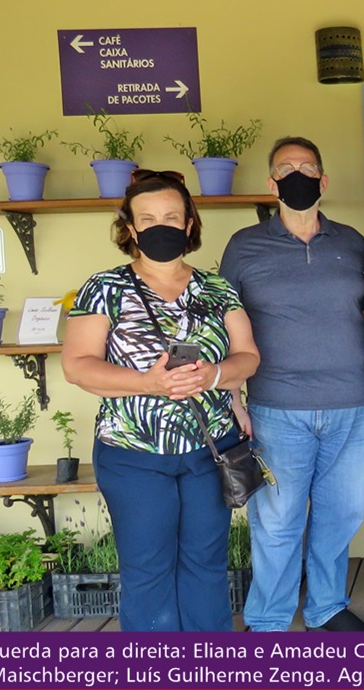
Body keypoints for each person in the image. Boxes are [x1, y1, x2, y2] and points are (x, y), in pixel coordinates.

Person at [63, 170, 260, 631]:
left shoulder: (217, 289)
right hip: (133, 453)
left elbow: (248, 356)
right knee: (148, 568)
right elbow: (78, 366)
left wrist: (214, 375)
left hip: (209, 450)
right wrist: (147, 383)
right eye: (147, 219)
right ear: (131, 229)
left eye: (171, 217)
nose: (160, 226)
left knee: (206, 565)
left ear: (189, 223)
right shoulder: (105, 288)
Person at [219, 137, 364, 632]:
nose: (297, 175)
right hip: (277, 407)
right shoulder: (244, 246)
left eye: (307, 167)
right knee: (278, 520)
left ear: (323, 180)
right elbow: (225, 328)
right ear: (272, 184)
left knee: (340, 515)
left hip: (352, 404)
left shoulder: (352, 242)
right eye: (286, 168)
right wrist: (234, 399)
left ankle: (326, 606)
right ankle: (269, 619)